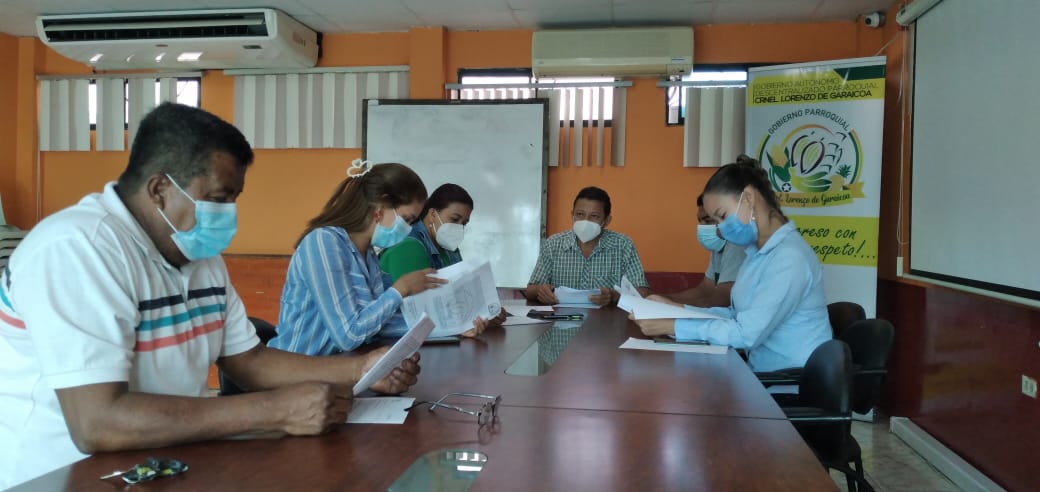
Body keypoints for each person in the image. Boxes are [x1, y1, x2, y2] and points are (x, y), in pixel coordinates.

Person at [0, 103, 420, 488]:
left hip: (160, 465)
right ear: (160, 188)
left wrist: (362, 369)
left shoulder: (199, 257)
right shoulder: (77, 249)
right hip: (62, 478)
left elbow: (250, 361)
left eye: (234, 199)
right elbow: (97, 422)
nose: (229, 214)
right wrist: (273, 411)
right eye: (218, 199)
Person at [633, 158, 831, 373]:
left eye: (722, 216)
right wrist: (676, 310)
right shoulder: (756, 254)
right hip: (759, 374)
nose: (719, 229)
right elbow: (735, 315)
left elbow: (746, 333)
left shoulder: (789, 257)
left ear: (748, 198)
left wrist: (673, 325)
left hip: (788, 381)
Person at [268, 161, 446, 355]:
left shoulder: (368, 255)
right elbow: (348, 335)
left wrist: (445, 326)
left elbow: (375, 325)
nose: (408, 229)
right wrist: (401, 289)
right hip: (297, 367)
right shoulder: (323, 243)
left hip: (338, 366)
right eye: (406, 219)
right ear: (380, 204)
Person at [378, 183, 505, 337]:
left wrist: (486, 313)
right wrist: (461, 326)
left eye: (464, 223)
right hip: (398, 340)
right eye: (454, 219)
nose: (459, 227)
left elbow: (461, 295)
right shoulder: (409, 246)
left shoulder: (449, 247)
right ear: (432, 214)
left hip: (433, 339)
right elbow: (422, 312)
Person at [525, 186, 650, 306]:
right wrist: (541, 291)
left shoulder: (623, 245)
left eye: (594, 216)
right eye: (580, 214)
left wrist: (614, 296)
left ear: (606, 221)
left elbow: (642, 293)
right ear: (572, 215)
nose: (585, 221)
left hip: (606, 318)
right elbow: (530, 290)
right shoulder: (553, 244)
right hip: (561, 318)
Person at [658, 194, 746, 308]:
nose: (702, 226)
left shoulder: (736, 245)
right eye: (699, 221)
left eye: (708, 220)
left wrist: (672, 304)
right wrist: (663, 299)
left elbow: (723, 300)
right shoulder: (718, 248)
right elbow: (704, 290)